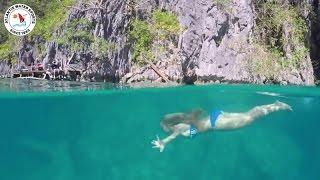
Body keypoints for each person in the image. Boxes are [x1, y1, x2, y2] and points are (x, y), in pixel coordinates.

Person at [151, 101, 292, 152]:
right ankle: (274, 105)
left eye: (163, 126)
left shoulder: (179, 128)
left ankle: (277, 107)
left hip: (216, 123)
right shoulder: (185, 120)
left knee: (249, 119)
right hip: (216, 115)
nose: (164, 129)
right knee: (247, 115)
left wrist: (162, 142)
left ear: (170, 125)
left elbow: (171, 138)